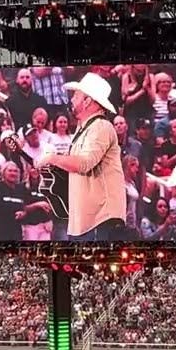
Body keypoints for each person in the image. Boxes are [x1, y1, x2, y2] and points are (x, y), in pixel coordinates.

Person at [36, 72, 126, 242]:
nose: (71, 99)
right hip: (84, 221)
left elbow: (84, 163)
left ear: (87, 101)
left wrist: (51, 158)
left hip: (100, 220)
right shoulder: (84, 129)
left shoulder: (101, 126)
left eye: (76, 95)